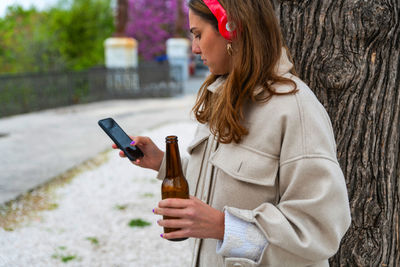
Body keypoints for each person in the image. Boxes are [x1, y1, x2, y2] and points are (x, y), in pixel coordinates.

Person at [113, 0, 351, 266]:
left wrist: (224, 226)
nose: (194, 48)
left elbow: (320, 229)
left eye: (198, 34)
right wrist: (163, 162)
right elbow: (218, 180)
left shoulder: (296, 109)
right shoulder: (222, 96)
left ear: (231, 28)